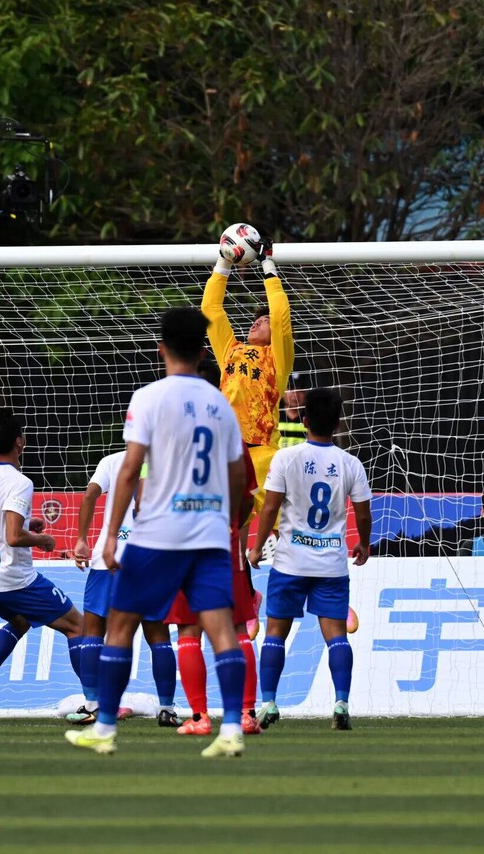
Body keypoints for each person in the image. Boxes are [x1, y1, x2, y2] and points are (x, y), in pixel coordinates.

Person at [65, 306, 247, 757]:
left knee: (120, 625)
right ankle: (231, 729)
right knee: (221, 629)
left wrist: (110, 535)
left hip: (158, 533)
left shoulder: (149, 398)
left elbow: (130, 471)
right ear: (203, 351)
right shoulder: (221, 406)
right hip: (208, 534)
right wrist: (225, 520)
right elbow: (238, 475)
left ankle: (104, 728)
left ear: (161, 348)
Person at [248, 388, 372, 731]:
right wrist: (363, 544)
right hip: (331, 564)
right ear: (337, 423)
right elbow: (363, 514)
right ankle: (341, 702)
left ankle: (269, 702)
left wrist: (256, 548)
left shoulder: (286, 458)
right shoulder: (350, 463)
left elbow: (270, 508)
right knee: (337, 637)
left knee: (275, 634)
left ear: (304, 421)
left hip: (290, 562)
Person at [0, 408, 83, 720]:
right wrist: (41, 539)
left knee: (20, 622)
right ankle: (97, 703)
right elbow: (14, 537)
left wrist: (24, 522)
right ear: (19, 441)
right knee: (77, 626)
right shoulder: (20, 482)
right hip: (13, 579)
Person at [166, 357, 261, 736]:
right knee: (237, 627)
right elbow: (247, 494)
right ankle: (246, 714)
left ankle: (200, 717)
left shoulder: (169, 429)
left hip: (182, 538)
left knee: (189, 630)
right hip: (224, 538)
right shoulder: (229, 429)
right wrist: (232, 524)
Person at [68, 449, 182, 728]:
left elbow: (89, 495)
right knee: (158, 636)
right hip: (150, 558)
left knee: (94, 631)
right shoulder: (168, 460)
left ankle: (92, 705)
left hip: (109, 557)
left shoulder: (112, 461)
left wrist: (81, 539)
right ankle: (166, 709)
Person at [201, 234, 294, 515]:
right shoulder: (231, 350)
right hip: (226, 452)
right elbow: (210, 309)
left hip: (262, 453)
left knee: (275, 526)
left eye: (265, 321)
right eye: (256, 320)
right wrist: (223, 262)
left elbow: (281, 315)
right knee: (226, 523)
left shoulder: (277, 358)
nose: (257, 323)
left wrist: (268, 265)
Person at [279, 372, 309, 449]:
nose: (295, 394)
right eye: (291, 388)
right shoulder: (272, 416)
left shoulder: (312, 418)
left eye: (300, 389)